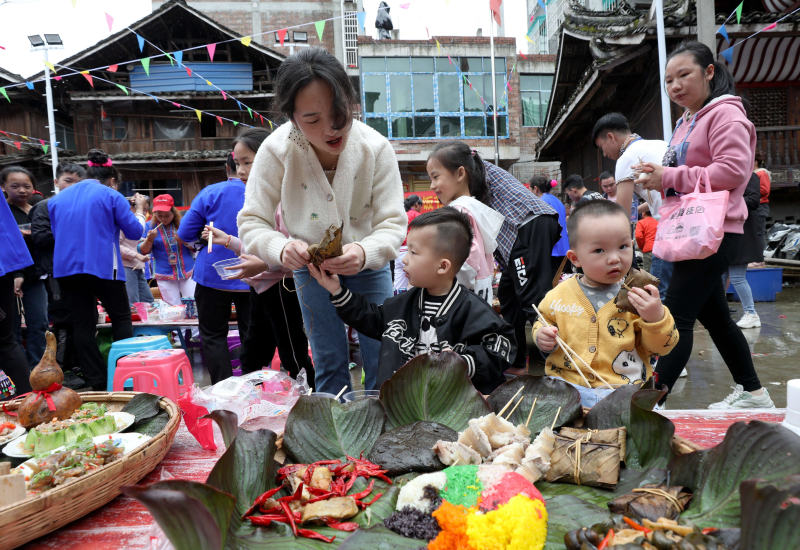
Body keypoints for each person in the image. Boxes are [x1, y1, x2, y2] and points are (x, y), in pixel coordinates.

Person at [238, 47, 405, 395]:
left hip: (370, 267)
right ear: (292, 117)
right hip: (310, 271)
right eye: (313, 120)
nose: (331, 128)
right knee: (328, 360)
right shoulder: (276, 150)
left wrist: (364, 252)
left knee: (383, 356)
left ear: (350, 100)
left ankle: (383, 424)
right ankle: (334, 427)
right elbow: (252, 221)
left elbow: (392, 224)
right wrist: (281, 248)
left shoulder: (375, 147)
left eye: (339, 113)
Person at [635, 40, 774, 408]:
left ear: (709, 72)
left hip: (714, 231)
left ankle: (648, 406)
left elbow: (733, 172)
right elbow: (685, 173)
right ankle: (754, 393)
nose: (675, 85)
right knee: (717, 320)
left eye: (684, 75)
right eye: (669, 80)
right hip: (693, 231)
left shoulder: (725, 114)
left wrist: (670, 176)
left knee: (677, 318)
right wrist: (658, 176)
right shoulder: (687, 121)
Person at [309, 208, 514, 393]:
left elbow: (501, 348)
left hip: (450, 409)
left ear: (442, 266)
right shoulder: (401, 305)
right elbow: (369, 317)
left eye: (413, 252)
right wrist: (336, 290)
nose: (404, 259)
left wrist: (463, 362)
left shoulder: (473, 310)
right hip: (401, 404)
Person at [532, 200, 678, 407]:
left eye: (623, 246)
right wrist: (541, 334)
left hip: (624, 393)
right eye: (600, 250)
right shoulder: (560, 295)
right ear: (575, 258)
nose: (614, 258)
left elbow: (662, 348)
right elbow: (543, 320)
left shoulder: (638, 296)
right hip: (567, 391)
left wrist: (656, 318)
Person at [203, 132, 314, 387]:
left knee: (293, 355)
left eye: (247, 162)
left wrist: (264, 264)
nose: (241, 171)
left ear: (271, 158)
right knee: (251, 355)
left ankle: (310, 400)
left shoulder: (285, 200)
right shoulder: (256, 200)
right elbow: (257, 247)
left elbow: (299, 250)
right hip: (261, 288)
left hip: (283, 288)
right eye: (237, 163)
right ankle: (253, 402)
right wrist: (228, 241)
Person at [48, 149, 147, 391]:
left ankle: (97, 381)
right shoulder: (111, 195)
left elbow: (58, 233)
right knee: (121, 318)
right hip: (103, 266)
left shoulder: (56, 200)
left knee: (82, 325)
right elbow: (135, 232)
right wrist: (140, 210)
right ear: (112, 180)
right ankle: (124, 377)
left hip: (67, 269)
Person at [178, 154, 254, 386]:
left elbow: (184, 233)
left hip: (212, 274)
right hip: (254, 273)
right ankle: (254, 387)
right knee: (252, 336)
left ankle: (223, 389)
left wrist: (200, 241)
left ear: (226, 168)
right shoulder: (261, 191)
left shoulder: (210, 193)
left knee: (213, 335)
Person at [482, 162, 559, 373]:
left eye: (437, 176)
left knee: (532, 299)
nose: (434, 185)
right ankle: (516, 361)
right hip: (518, 240)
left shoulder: (473, 168)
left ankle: (562, 365)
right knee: (508, 296)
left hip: (526, 231)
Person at [593, 112, 671, 296]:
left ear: (611, 137)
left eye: (602, 147)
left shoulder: (626, 158)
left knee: (660, 297)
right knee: (710, 302)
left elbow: (622, 214)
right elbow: (658, 197)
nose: (605, 154)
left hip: (670, 232)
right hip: (693, 223)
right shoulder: (660, 143)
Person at [427, 142, 504, 304]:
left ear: (460, 173)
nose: (432, 186)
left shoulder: (458, 211)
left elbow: (468, 259)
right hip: (480, 292)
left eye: (436, 177)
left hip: (463, 295)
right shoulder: (474, 207)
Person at [30, 162, 86, 380]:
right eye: (68, 181)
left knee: (79, 321)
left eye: (78, 183)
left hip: (78, 273)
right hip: (54, 273)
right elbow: (40, 237)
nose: (72, 186)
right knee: (62, 321)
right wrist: (68, 230)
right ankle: (60, 370)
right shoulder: (45, 206)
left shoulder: (82, 209)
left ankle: (76, 366)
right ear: (56, 182)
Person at [1, 166, 48, 367]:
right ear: (3, 187)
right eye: (15, 186)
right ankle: (19, 370)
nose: (21, 190)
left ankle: (38, 367)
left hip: (36, 276)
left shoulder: (38, 210)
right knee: (11, 329)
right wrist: (16, 274)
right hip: (9, 277)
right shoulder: (4, 213)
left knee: (40, 323)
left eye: (26, 186)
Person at [0, 196, 34, 396]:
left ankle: (20, 398)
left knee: (5, 342)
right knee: (6, 341)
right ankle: (23, 399)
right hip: (4, 268)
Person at [139, 194, 196, 306]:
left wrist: (184, 240)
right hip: (164, 274)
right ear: (155, 214)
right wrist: (149, 240)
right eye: (160, 216)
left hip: (187, 270)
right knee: (173, 307)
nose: (163, 219)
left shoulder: (183, 224)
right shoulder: (149, 227)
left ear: (173, 212)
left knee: (192, 303)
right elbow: (143, 251)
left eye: (167, 215)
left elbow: (195, 247)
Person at [728, 173, 763, 329]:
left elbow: (754, 200)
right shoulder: (730, 174)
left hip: (742, 234)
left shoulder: (750, 176)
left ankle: (751, 313)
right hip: (729, 233)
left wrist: (726, 201)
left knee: (737, 277)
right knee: (721, 277)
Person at [530, 176, 569, 279]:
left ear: (535, 189)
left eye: (530, 189)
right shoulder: (557, 200)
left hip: (552, 249)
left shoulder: (541, 202)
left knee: (551, 282)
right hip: (563, 247)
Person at [120, 200, 153, 307]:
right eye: (142, 210)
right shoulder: (122, 222)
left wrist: (146, 239)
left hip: (137, 266)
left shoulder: (132, 223)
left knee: (148, 301)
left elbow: (132, 242)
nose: (145, 213)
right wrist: (137, 255)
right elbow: (116, 246)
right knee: (133, 303)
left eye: (146, 210)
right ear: (132, 209)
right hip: (126, 267)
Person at [394, 194, 423, 294]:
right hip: (409, 252)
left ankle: (397, 302)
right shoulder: (416, 215)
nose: (421, 207)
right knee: (419, 282)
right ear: (416, 204)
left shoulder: (402, 215)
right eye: (421, 205)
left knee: (399, 285)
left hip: (398, 252)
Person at [752, 152, 770, 268]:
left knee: (758, 233)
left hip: (760, 206)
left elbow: (764, 190)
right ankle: (756, 258)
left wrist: (750, 193)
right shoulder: (754, 173)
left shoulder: (761, 173)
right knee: (754, 233)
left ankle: (759, 259)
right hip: (754, 206)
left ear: (755, 162)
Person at [635, 204, 658, 272]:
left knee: (647, 273)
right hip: (658, 250)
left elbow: (638, 236)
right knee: (656, 272)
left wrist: (642, 247)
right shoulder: (656, 222)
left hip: (648, 250)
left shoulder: (641, 222)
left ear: (644, 213)